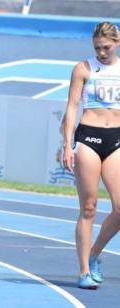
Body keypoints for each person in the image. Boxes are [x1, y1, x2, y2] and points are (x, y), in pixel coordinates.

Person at [63, 21, 120, 290]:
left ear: (117, 43)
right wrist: (66, 145)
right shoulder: (83, 68)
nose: (102, 53)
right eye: (97, 48)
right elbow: (72, 107)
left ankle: (95, 254)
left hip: (116, 139)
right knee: (89, 206)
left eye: (106, 47)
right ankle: (84, 270)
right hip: (88, 138)